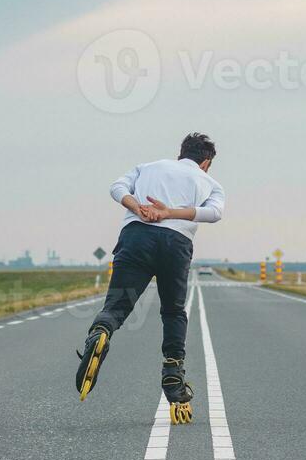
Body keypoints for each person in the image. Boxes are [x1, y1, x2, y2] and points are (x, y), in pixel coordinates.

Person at [74, 132, 225, 423]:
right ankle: (173, 373)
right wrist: (171, 213)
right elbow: (215, 213)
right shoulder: (209, 182)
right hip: (176, 244)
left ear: (180, 152)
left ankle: (100, 333)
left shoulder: (148, 167)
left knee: (117, 305)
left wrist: (138, 208)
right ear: (206, 163)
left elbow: (116, 187)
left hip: (136, 237)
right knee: (172, 311)